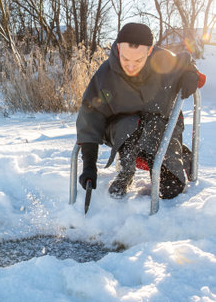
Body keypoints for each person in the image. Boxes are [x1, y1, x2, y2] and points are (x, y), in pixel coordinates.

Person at [76, 22, 206, 199]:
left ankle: (177, 154)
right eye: (126, 59)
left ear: (150, 51)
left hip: (160, 128)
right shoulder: (105, 76)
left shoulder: (164, 61)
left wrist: (191, 73)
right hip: (124, 130)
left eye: (138, 60)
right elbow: (90, 116)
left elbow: (186, 60)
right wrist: (89, 165)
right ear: (119, 50)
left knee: (171, 189)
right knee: (130, 126)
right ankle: (126, 173)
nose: (131, 66)